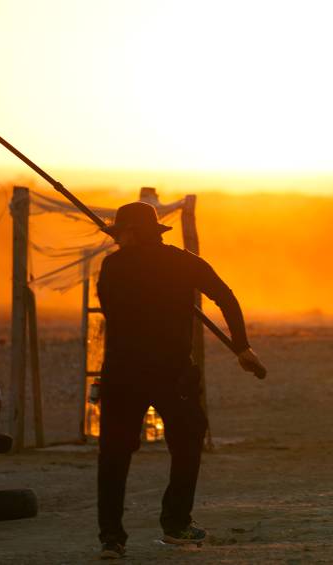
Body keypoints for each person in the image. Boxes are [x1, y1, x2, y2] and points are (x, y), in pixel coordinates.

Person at [96, 201, 265, 559]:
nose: (115, 240)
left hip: (122, 373)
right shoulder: (183, 262)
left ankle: (111, 538)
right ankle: (175, 523)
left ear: (130, 233)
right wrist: (242, 346)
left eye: (119, 233)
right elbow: (226, 297)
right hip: (172, 371)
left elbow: (111, 311)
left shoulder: (112, 267)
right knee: (187, 443)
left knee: (114, 452)